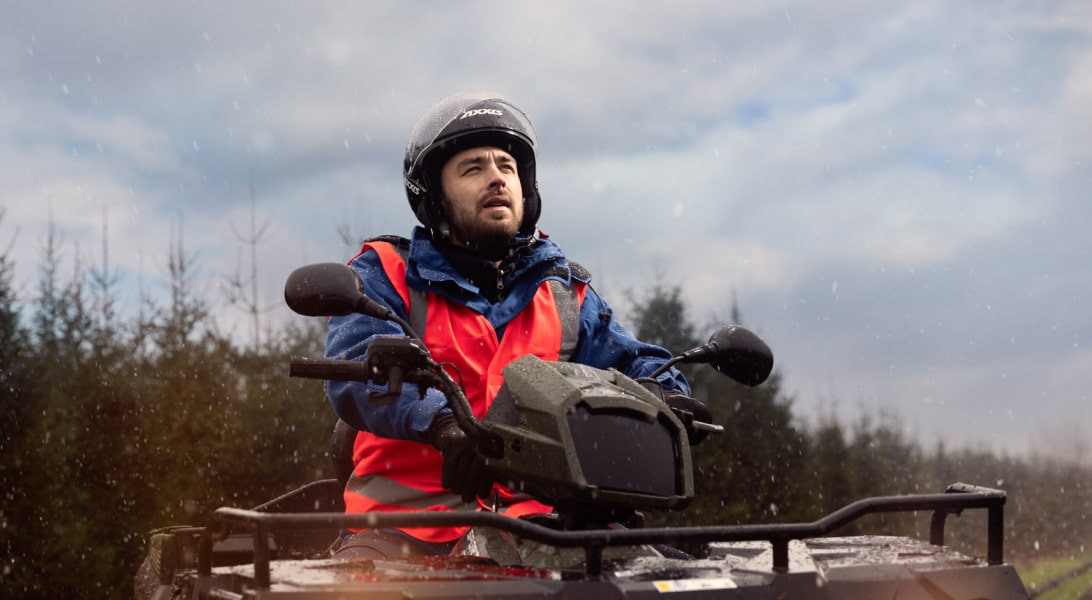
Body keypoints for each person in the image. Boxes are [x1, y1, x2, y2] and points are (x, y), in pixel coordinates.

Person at [325, 91, 708, 559]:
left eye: (507, 167)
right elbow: (354, 367)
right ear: (435, 196)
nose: (496, 179)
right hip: (403, 530)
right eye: (473, 168)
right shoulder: (383, 274)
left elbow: (632, 362)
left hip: (546, 530)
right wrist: (443, 424)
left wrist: (667, 393)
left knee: (687, 583)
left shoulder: (564, 291)